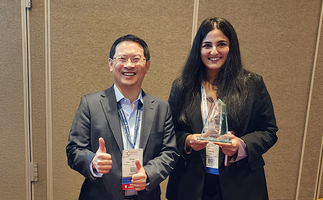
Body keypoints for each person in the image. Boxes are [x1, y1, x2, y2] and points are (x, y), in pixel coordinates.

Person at [166, 17, 278, 200]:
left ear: (231, 47)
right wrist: (187, 141)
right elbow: (168, 132)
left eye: (221, 44)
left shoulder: (252, 84)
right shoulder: (182, 87)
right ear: (199, 49)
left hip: (241, 184)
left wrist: (241, 146)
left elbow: (269, 131)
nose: (214, 51)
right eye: (207, 45)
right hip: (191, 184)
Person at [66, 34, 179, 200]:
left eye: (136, 59)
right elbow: (73, 149)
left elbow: (169, 152)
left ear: (147, 65)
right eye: (122, 58)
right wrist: (93, 162)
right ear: (111, 64)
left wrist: (148, 174)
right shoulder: (90, 104)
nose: (129, 65)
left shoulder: (161, 108)